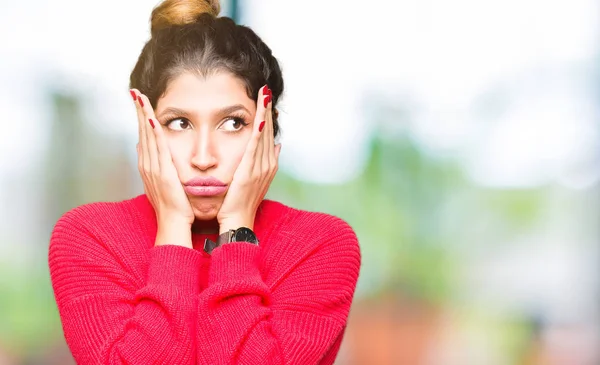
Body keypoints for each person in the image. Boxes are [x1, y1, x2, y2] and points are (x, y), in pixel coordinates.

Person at [48, 0, 361, 364]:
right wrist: (173, 230)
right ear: (145, 128)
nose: (203, 157)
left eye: (232, 123)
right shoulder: (90, 237)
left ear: (267, 130)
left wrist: (236, 233)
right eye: (179, 123)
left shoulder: (319, 245)